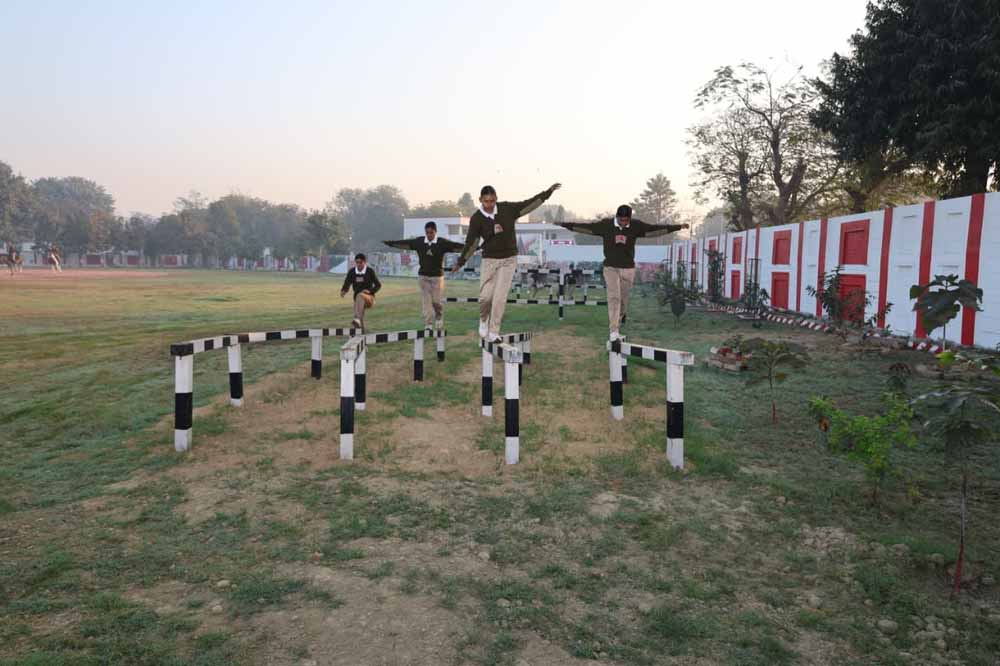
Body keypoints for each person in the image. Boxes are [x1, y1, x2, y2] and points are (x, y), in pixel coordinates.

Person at [557, 205, 688, 340]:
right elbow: (586, 227)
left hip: (628, 268)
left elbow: (654, 229)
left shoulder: (635, 226)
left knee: (623, 302)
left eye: (626, 220)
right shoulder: (606, 225)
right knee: (614, 297)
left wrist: (677, 227)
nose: (624, 223)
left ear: (629, 218)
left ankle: (617, 325)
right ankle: (613, 330)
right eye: (621, 220)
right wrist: (565, 224)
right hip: (610, 267)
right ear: (617, 217)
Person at [452, 182, 562, 341]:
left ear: (496, 198)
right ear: (480, 200)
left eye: (492, 201)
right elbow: (472, 243)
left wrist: (547, 193)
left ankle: (494, 331)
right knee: (485, 298)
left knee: (499, 298)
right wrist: (461, 261)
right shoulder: (476, 219)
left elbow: (528, 205)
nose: (489, 205)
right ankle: (483, 319)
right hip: (489, 260)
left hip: (508, 259)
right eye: (486, 201)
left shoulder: (507, 209)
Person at [383, 221, 464, 329]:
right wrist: (391, 243)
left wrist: (473, 248)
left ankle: (439, 316)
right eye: (427, 233)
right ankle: (428, 324)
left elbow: (456, 246)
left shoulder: (442, 243)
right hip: (423, 277)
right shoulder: (419, 242)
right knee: (426, 302)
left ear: (435, 232)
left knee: (436, 301)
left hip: (437, 277)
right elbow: (405, 243)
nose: (429, 235)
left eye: (431, 233)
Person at [340, 253, 382, 332]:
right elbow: (347, 282)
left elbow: (378, 285)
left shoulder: (370, 271)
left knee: (359, 296)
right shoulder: (352, 272)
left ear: (365, 262)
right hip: (358, 300)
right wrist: (344, 290)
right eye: (357, 262)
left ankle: (357, 319)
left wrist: (370, 291)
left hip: (369, 298)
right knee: (359, 318)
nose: (358, 264)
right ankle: (361, 334)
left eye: (360, 262)